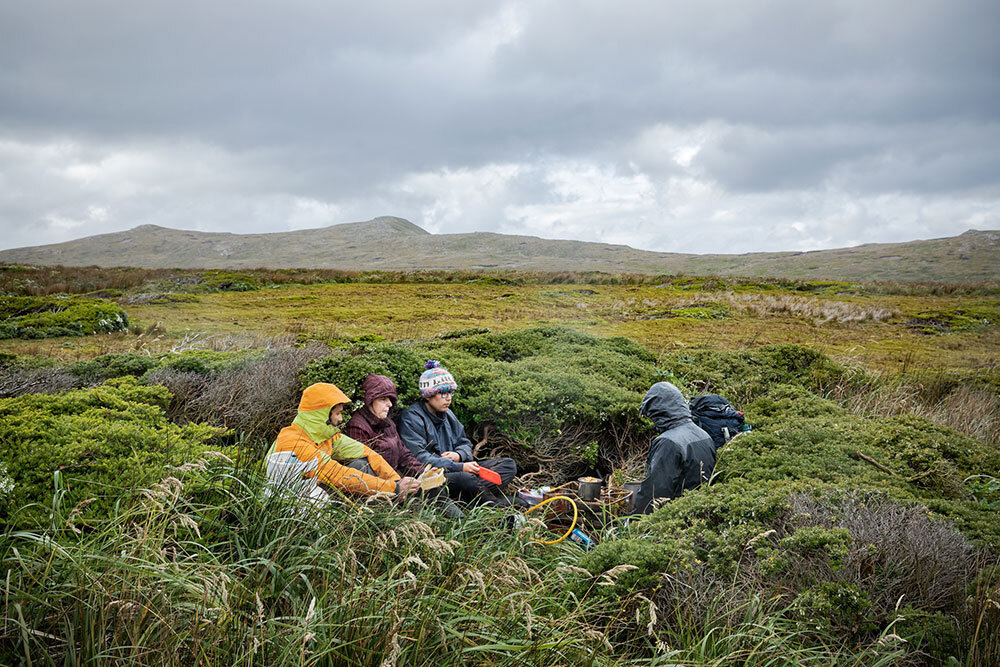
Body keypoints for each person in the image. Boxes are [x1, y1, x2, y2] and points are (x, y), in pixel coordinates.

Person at [266, 382, 421, 501]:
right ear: (322, 415)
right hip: (286, 504)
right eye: (338, 413)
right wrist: (393, 489)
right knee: (354, 474)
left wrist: (395, 480)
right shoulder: (293, 441)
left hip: (308, 490)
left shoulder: (325, 435)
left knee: (362, 463)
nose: (341, 419)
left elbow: (369, 453)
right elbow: (338, 475)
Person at [343, 374, 465, 518]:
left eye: (390, 399)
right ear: (369, 400)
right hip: (383, 492)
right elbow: (368, 469)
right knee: (423, 513)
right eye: (383, 399)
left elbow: (404, 455)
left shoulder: (388, 423)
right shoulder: (357, 427)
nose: (389, 404)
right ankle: (433, 526)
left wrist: (425, 472)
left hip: (399, 481)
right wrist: (398, 485)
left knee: (436, 487)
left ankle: (461, 523)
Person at [399, 361, 518, 505]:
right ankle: (489, 502)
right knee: (466, 479)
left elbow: (465, 442)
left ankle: (467, 496)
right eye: (442, 393)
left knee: (508, 465)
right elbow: (419, 458)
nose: (448, 398)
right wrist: (458, 466)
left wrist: (459, 455)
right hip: (437, 476)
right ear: (428, 395)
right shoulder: (411, 417)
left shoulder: (447, 414)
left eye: (450, 392)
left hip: (460, 468)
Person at [632, 381, 716, 514]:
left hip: (672, 517)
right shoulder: (703, 434)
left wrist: (633, 521)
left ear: (658, 411)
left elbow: (655, 492)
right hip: (699, 513)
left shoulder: (668, 442)